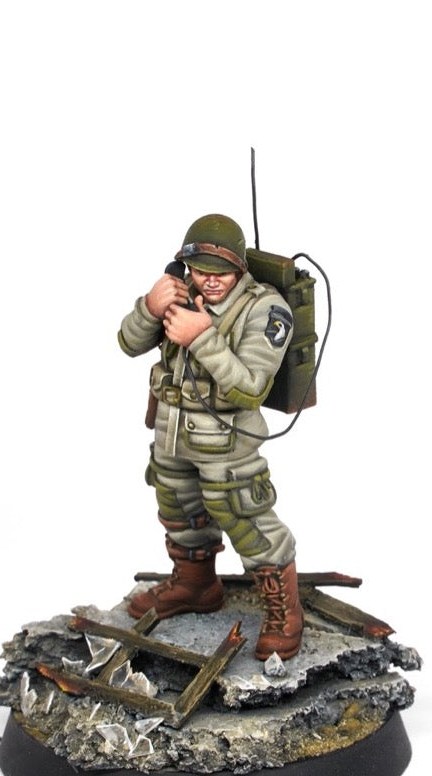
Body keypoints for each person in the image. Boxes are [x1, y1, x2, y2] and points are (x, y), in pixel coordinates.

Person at [117, 214, 304, 660]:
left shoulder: (265, 309)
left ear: (239, 268)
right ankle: (195, 584)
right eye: (200, 271)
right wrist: (150, 307)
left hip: (227, 444)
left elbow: (251, 386)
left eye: (221, 272)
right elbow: (127, 342)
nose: (210, 281)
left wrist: (202, 337)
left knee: (245, 516)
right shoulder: (182, 292)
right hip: (172, 434)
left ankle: (285, 611)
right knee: (179, 509)